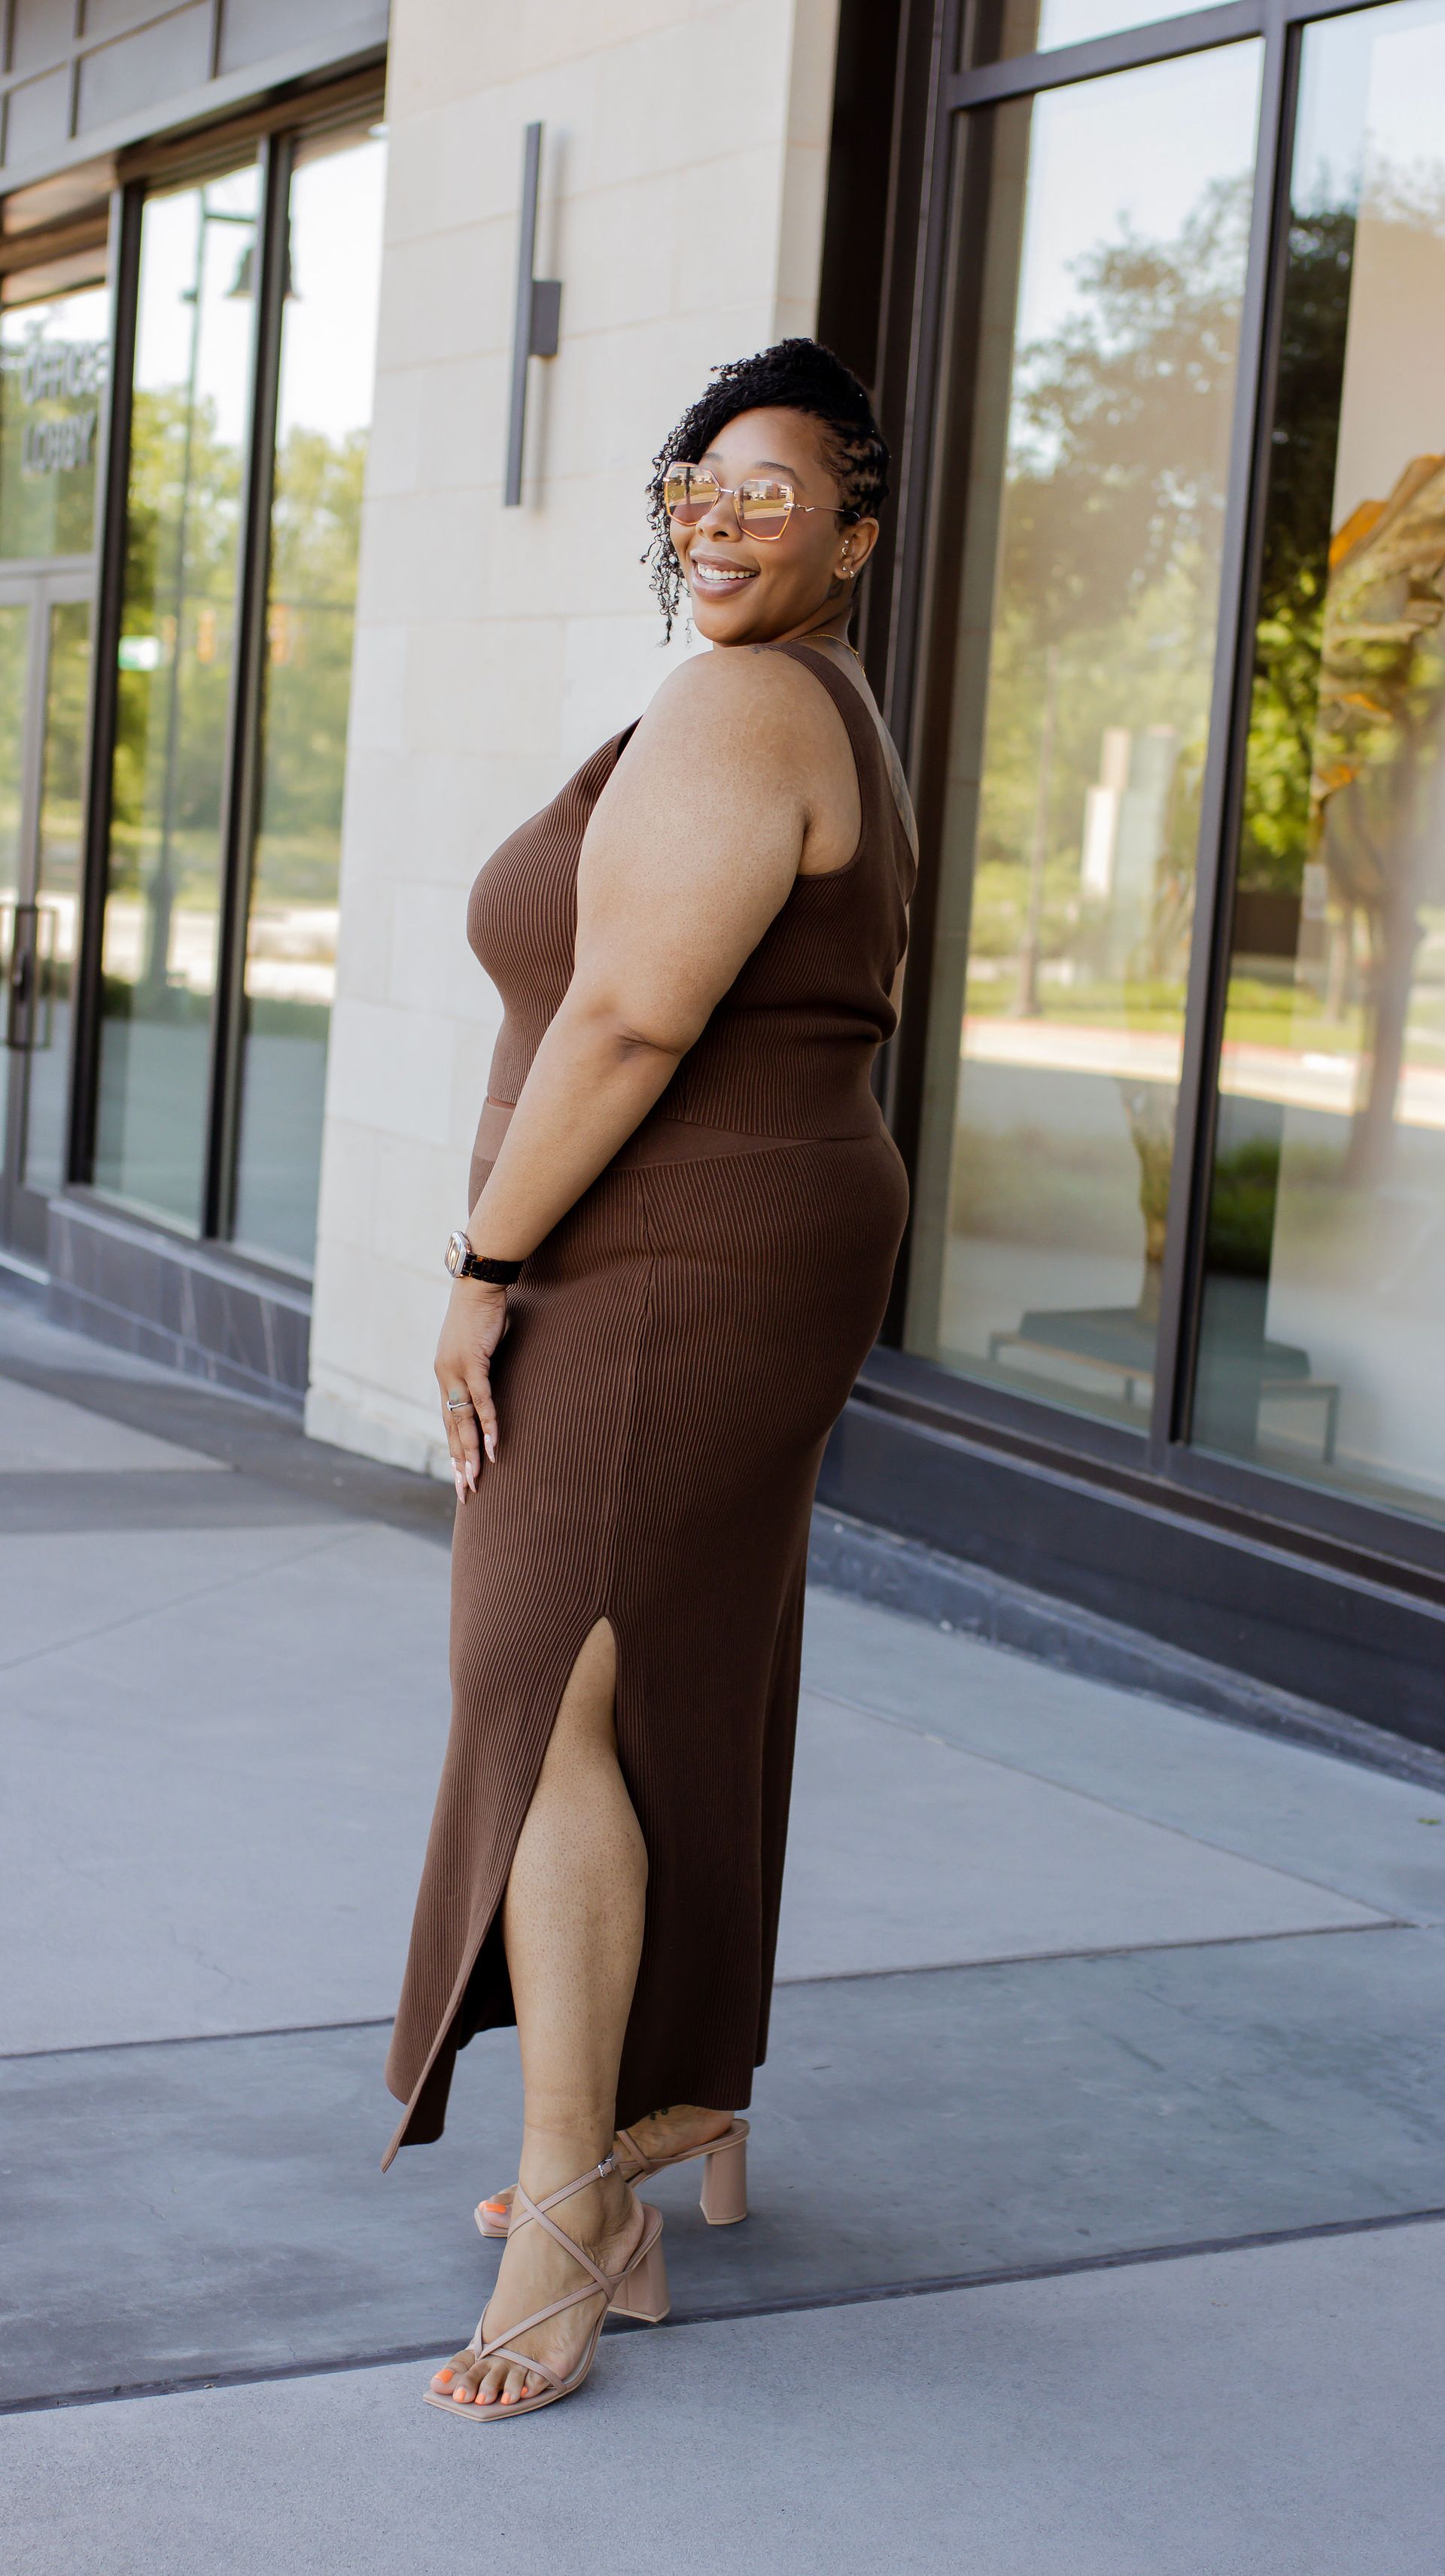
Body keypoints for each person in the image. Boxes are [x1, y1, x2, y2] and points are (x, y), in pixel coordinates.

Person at [385, 337, 918, 2422]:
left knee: (549, 1680)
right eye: (699, 482)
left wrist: (482, 1271)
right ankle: (659, 2106)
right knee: (668, 1661)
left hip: (672, 1258)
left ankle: (573, 2212)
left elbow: (624, 1020)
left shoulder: (746, 703)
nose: (720, 515)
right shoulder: (800, 699)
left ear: (856, 535)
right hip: (740, 1232)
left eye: (773, 489)